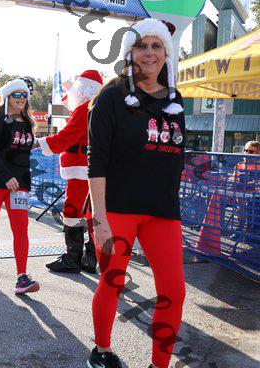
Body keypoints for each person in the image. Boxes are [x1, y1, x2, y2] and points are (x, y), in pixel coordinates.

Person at [86, 19, 186, 368]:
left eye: (156, 46)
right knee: (112, 282)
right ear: (130, 51)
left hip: (162, 211)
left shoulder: (175, 98)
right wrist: (99, 218)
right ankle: (101, 351)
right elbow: (96, 160)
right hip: (118, 209)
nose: (149, 53)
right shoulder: (111, 96)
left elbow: (175, 156)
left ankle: (159, 364)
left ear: (166, 53)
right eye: (142, 45)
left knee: (174, 292)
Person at [0, 78, 40, 294]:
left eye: (25, 95)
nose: (22, 98)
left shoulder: (28, 123)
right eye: (17, 95)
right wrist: (6, 176)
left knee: (21, 228)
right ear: (7, 97)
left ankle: (22, 277)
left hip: (19, 183)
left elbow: (24, 152)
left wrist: (22, 179)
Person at [37, 70, 103, 274]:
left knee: (73, 211)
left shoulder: (85, 110)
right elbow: (71, 105)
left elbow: (67, 136)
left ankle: (72, 258)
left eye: (76, 87)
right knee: (91, 214)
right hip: (92, 169)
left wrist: (39, 143)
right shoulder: (98, 108)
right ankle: (91, 258)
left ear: (83, 89)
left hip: (81, 170)